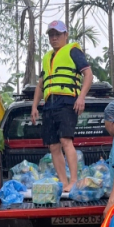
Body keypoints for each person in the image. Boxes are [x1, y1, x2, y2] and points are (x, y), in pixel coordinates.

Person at [30, 21, 94, 193]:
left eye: (57, 34)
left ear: (66, 35)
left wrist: (81, 97)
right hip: (49, 105)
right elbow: (41, 85)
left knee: (66, 141)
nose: (54, 38)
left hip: (67, 101)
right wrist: (34, 106)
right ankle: (64, 183)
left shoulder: (73, 51)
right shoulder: (47, 57)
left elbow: (88, 74)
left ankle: (73, 180)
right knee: (53, 146)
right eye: (51, 35)